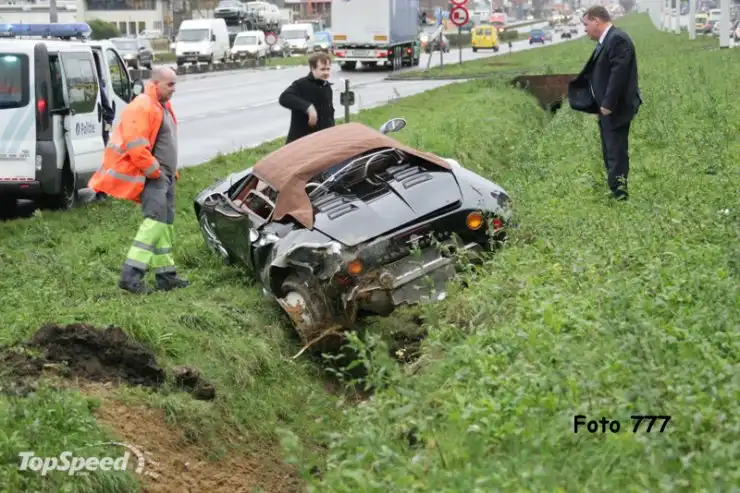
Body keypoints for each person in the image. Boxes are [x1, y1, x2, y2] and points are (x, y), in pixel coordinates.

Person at [88, 67, 190, 294]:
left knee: (163, 225)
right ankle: (130, 276)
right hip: (155, 177)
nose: (174, 89)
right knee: (154, 223)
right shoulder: (143, 106)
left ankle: (166, 275)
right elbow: (137, 146)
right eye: (170, 84)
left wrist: (169, 173)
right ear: (156, 84)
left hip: (165, 176)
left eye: (175, 84)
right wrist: (155, 172)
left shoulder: (162, 105)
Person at [570, 6, 642, 200]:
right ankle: (615, 188)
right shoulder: (607, 40)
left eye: (586, 24)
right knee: (609, 150)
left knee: (616, 151)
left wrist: (608, 104)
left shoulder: (617, 39)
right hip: (606, 109)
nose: (585, 29)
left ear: (596, 21)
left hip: (616, 108)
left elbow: (619, 75)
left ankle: (620, 194)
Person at [278, 52, 335, 144]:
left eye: (328, 69)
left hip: (322, 141)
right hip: (301, 142)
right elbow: (284, 97)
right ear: (312, 68)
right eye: (322, 69)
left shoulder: (327, 87)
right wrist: (308, 108)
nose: (326, 73)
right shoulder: (301, 84)